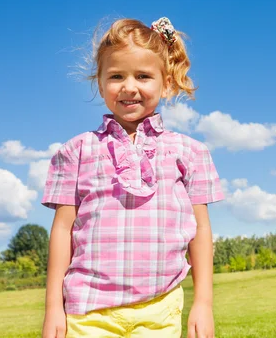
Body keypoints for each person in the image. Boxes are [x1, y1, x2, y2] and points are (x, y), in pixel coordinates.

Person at [41, 17, 224, 338]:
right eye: (116, 76)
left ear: (166, 83)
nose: (129, 86)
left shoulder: (191, 153)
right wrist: (53, 308)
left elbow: (201, 230)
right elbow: (62, 230)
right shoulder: (75, 151)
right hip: (88, 308)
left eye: (143, 76)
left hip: (161, 305)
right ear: (99, 83)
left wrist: (204, 303)